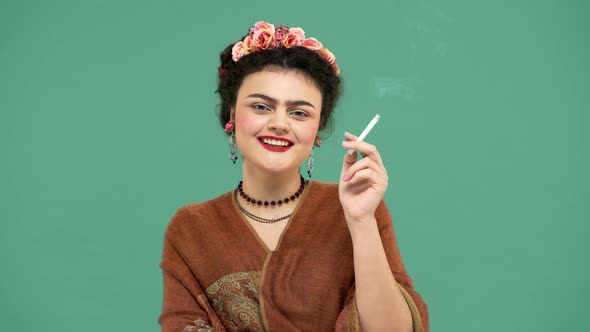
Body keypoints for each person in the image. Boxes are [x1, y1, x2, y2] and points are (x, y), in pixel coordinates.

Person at [159, 21, 429, 332]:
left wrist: (360, 221)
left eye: (299, 112)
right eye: (261, 106)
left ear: (318, 130)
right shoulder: (192, 228)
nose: (279, 124)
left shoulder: (362, 212)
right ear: (231, 117)